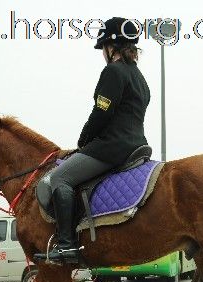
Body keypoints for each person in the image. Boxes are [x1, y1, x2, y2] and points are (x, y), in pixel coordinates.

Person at [34, 17, 150, 264]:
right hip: (136, 143)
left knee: (59, 178)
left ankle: (66, 245)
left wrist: (84, 139)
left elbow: (102, 112)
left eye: (104, 48)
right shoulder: (139, 77)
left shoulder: (113, 71)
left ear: (111, 47)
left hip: (112, 146)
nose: (103, 54)